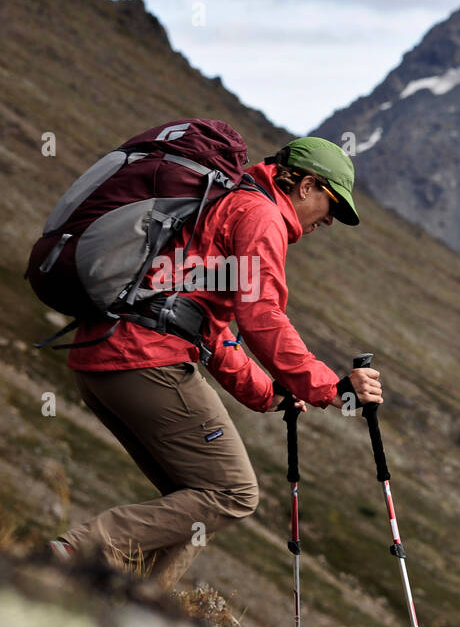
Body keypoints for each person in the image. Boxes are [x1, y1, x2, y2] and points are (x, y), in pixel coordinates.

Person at [50, 136, 382, 589]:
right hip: (144, 360)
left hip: (105, 359)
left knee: (192, 506)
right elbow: (261, 314)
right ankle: (76, 552)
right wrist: (331, 387)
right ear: (306, 185)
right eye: (331, 204)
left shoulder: (226, 202)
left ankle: (137, 612)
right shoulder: (261, 216)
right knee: (233, 492)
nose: (330, 219)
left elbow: (211, 326)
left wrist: (270, 393)